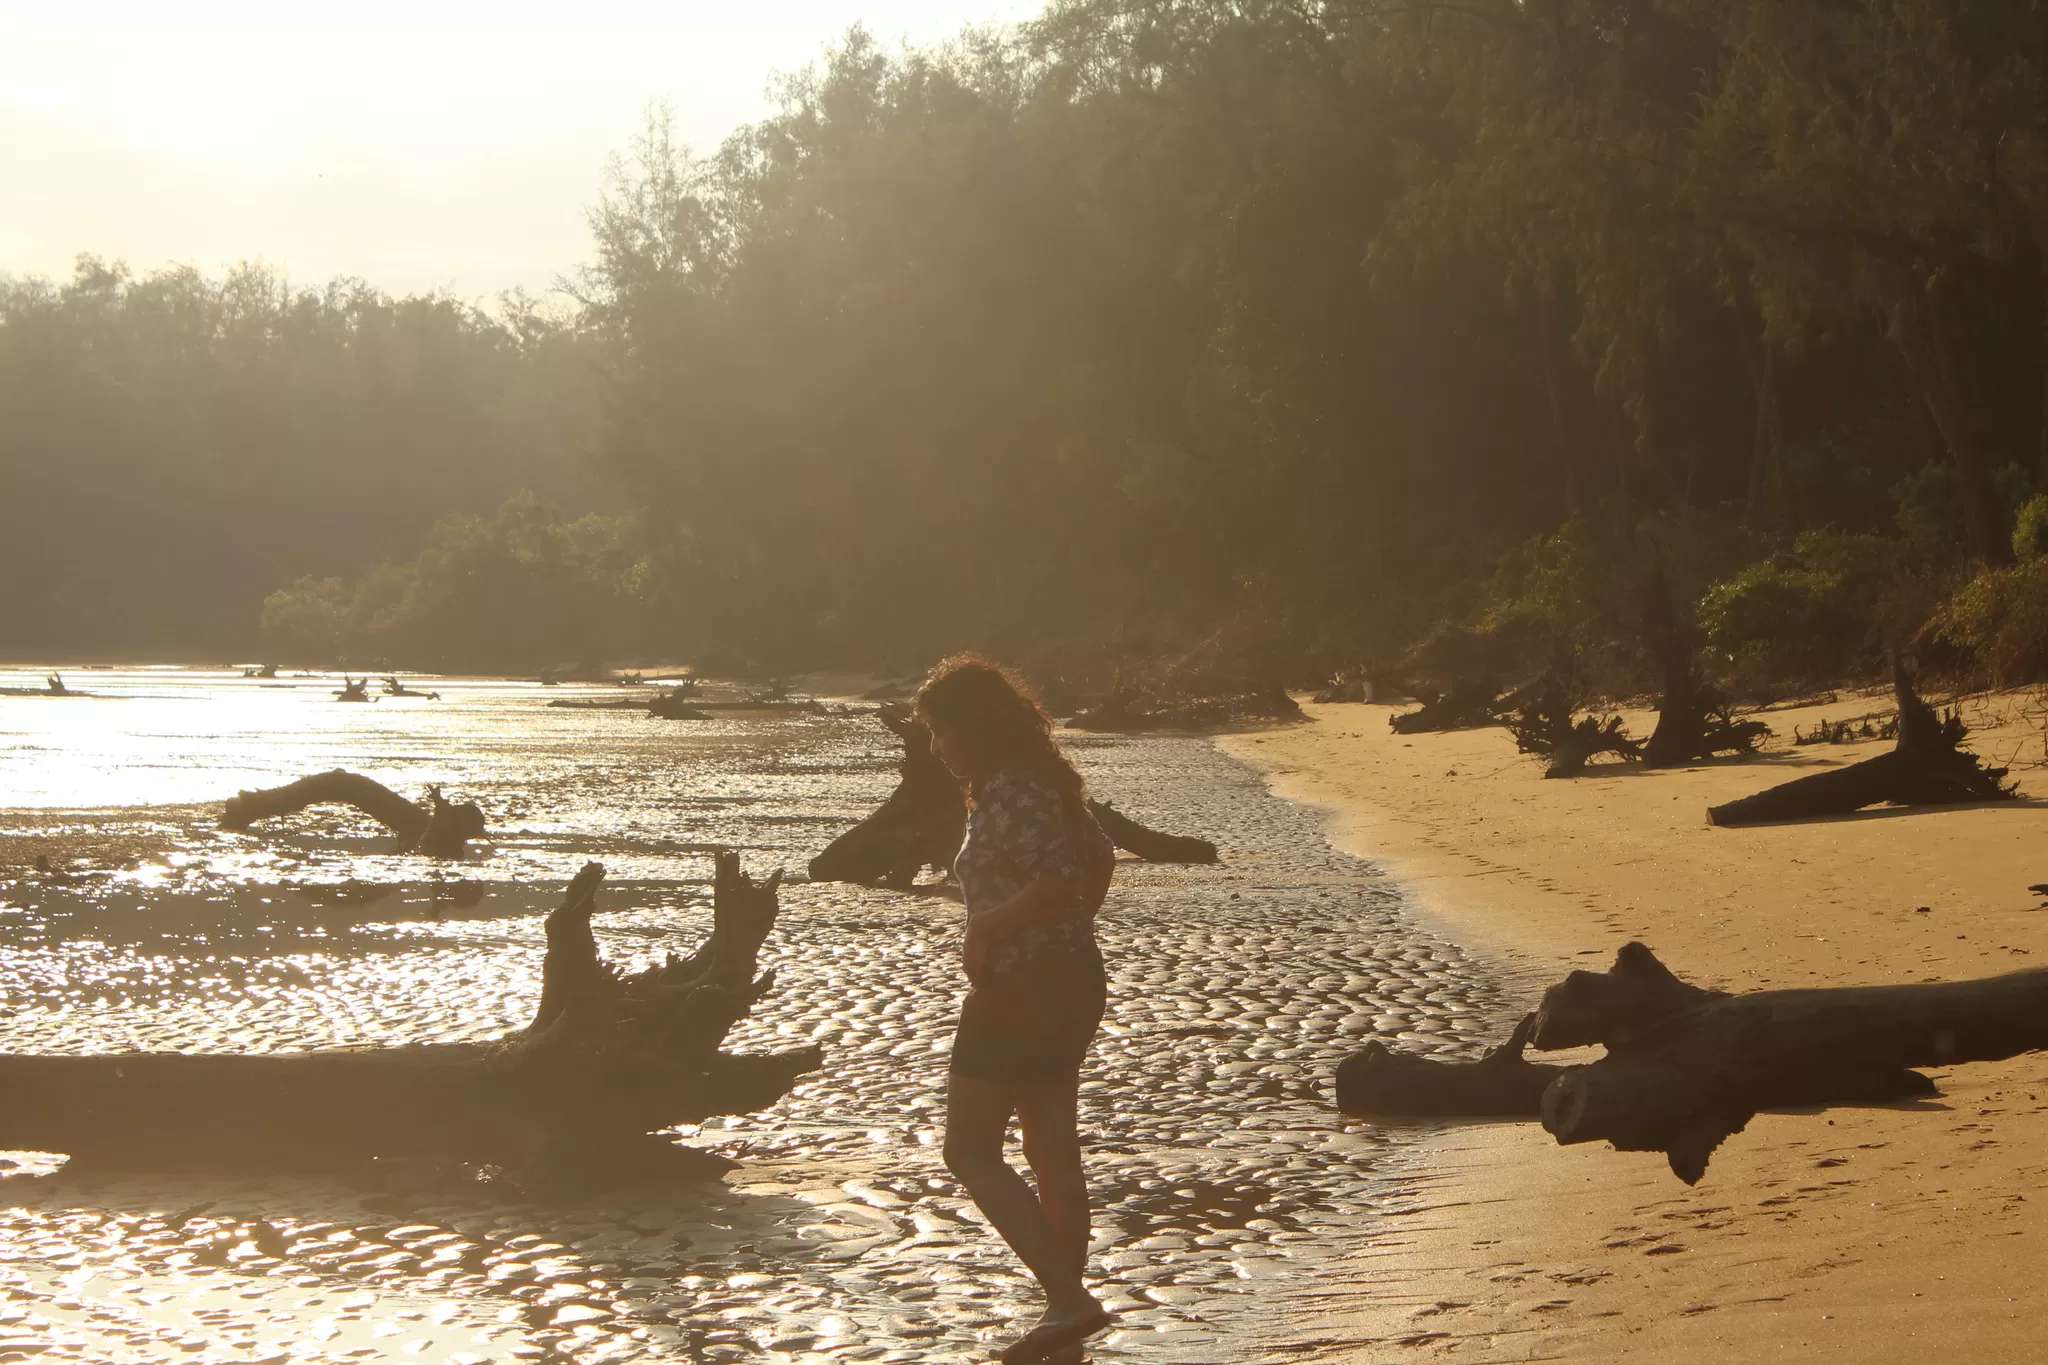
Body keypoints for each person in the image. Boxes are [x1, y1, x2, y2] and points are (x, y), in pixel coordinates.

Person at [914, 655, 1117, 1365]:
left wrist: (990, 927)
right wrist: (1068, 934)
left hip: (1019, 989)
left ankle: (1068, 1300)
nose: (937, 747)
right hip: (1068, 979)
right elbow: (1099, 858)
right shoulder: (1042, 783)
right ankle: (1065, 1311)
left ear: (975, 727)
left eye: (941, 731)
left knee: (968, 1148)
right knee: (1051, 1150)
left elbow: (1064, 876)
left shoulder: (1010, 790)